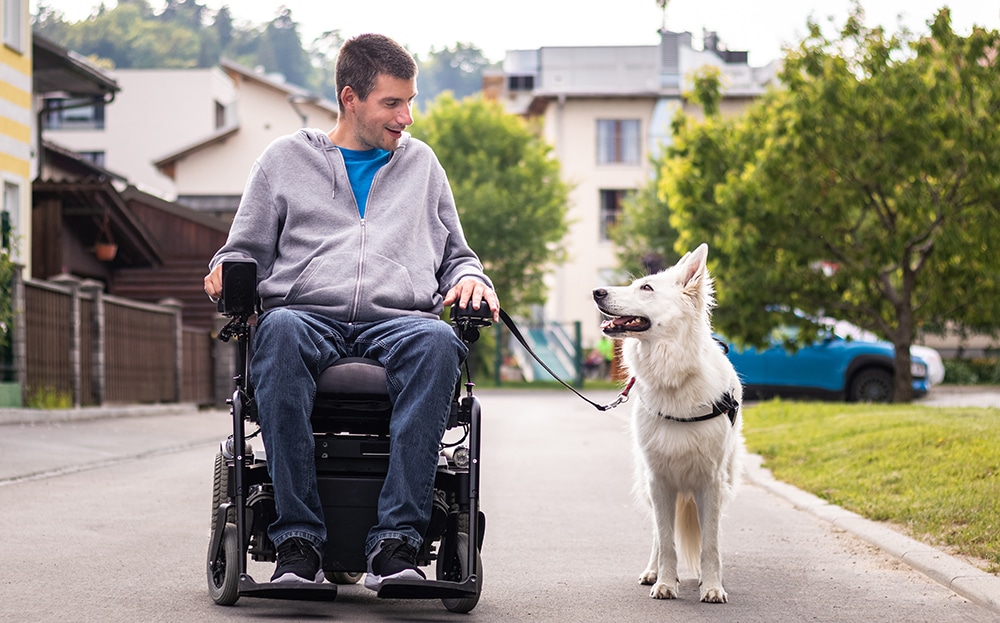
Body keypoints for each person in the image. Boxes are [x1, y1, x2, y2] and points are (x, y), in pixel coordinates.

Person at [203, 33, 499, 590]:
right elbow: (240, 250)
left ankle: (396, 547)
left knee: (439, 343)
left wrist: (471, 281)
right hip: (306, 316)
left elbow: (459, 257)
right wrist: (226, 269)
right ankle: (299, 544)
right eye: (392, 103)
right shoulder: (284, 161)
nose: (406, 117)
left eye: (410, 101)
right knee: (281, 329)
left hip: (400, 322)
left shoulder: (423, 166)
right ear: (350, 98)